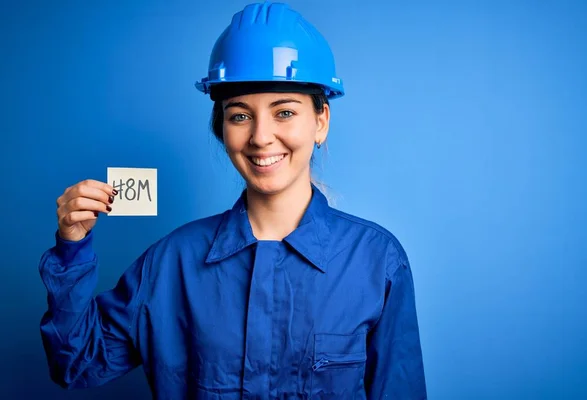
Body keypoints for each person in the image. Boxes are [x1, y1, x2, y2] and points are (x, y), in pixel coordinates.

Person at [38, 1, 427, 399]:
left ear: (321, 121)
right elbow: (77, 363)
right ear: (222, 129)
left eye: (284, 112)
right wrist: (72, 249)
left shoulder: (377, 261)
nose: (260, 137)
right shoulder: (172, 262)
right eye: (240, 115)